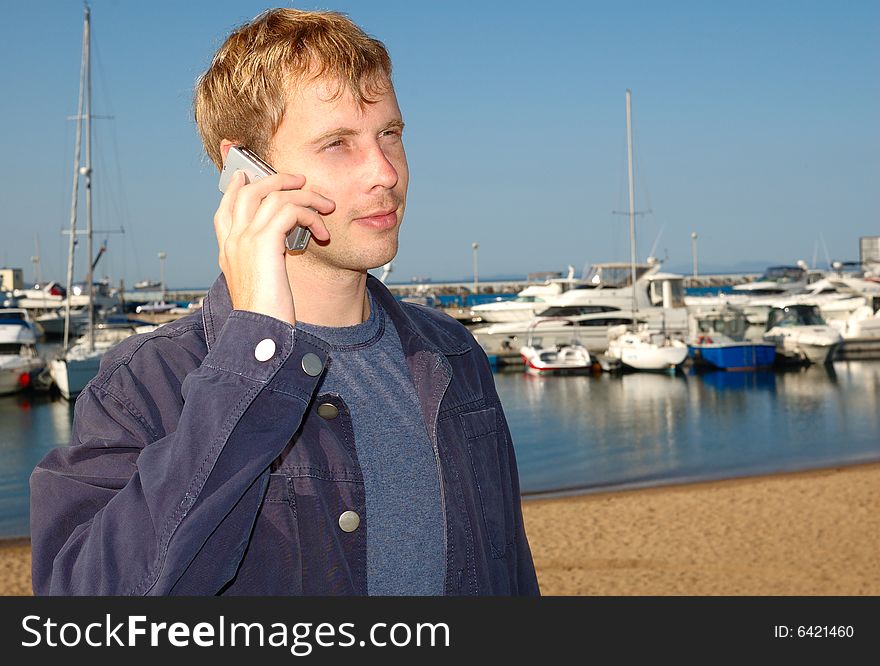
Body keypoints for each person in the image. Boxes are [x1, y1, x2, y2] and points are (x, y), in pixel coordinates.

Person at [30, 7, 539, 596]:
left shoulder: (452, 356)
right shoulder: (145, 383)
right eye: (337, 144)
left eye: (390, 134)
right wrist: (251, 362)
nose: (384, 172)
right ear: (246, 172)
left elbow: (511, 576)